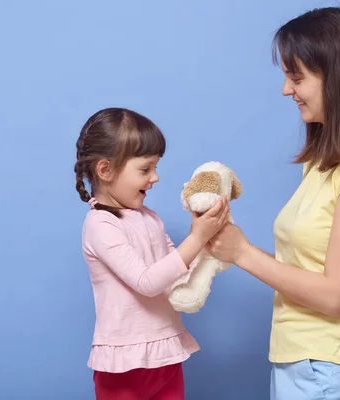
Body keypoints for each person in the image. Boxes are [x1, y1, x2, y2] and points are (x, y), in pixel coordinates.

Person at [206, 7, 340, 399]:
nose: (286, 90)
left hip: (331, 372)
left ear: (339, 79)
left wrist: (243, 253)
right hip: (304, 365)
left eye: (296, 77)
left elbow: (335, 296)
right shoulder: (326, 162)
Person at [74, 107, 230, 400]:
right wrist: (196, 238)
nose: (155, 177)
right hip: (123, 366)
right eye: (145, 169)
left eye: (155, 168)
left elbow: (176, 270)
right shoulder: (101, 224)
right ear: (105, 170)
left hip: (165, 354)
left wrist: (208, 245)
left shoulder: (149, 217)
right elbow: (146, 282)